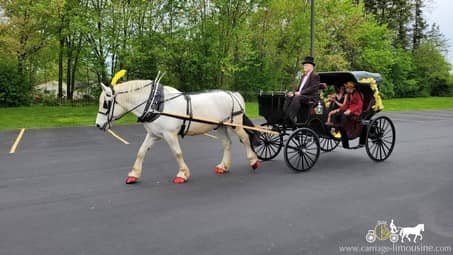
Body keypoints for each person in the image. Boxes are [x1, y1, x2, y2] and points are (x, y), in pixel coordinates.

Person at [285, 56, 320, 125]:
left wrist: (300, 93)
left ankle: (291, 117)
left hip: (310, 97)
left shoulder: (315, 76)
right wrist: (293, 93)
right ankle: (285, 115)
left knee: (297, 97)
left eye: (306, 65)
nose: (304, 67)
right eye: (304, 65)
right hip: (302, 96)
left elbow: (313, 88)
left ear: (311, 66)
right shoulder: (303, 76)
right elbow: (299, 88)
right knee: (288, 96)